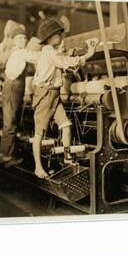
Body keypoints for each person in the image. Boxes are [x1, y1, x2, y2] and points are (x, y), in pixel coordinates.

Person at [31, 18, 97, 179]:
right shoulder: (48, 52)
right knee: (39, 133)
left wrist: (70, 54)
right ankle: (38, 167)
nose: (61, 36)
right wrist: (88, 55)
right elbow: (64, 62)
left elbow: (62, 60)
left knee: (66, 125)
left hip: (54, 94)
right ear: (51, 37)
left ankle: (67, 157)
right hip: (45, 95)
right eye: (59, 34)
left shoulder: (51, 52)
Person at [0, 24, 41, 167]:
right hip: (13, 87)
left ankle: (4, 153)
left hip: (13, 87)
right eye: (20, 38)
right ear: (15, 41)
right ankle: (6, 156)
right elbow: (36, 57)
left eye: (25, 37)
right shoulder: (20, 52)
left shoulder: (16, 51)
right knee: (10, 122)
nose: (23, 40)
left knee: (10, 121)